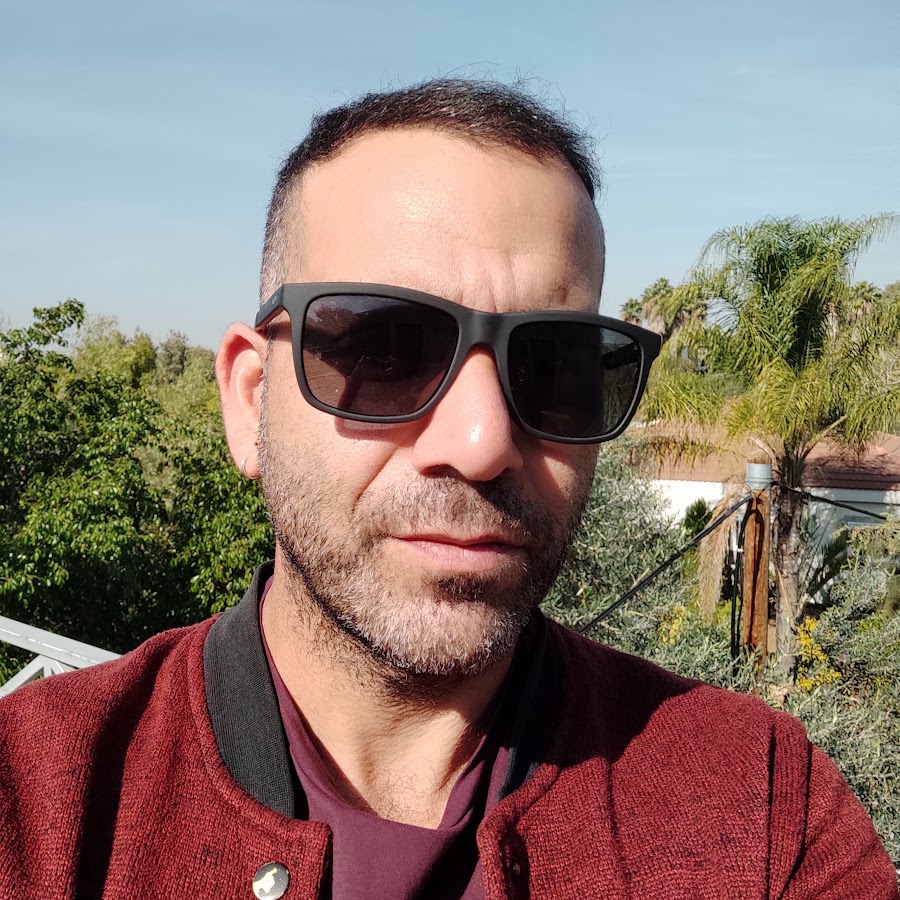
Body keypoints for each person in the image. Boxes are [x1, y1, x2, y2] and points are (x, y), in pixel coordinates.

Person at [0, 78, 896, 900]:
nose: (483, 442)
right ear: (251, 400)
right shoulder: (38, 801)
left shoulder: (763, 810)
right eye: (385, 349)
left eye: (554, 365)